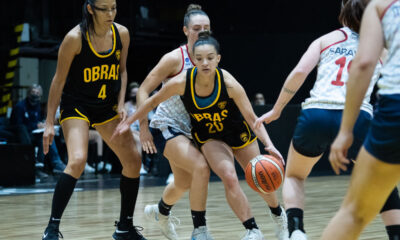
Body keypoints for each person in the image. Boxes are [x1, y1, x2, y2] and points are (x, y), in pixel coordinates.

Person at [114, 31, 288, 240]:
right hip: (210, 136)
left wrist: (269, 145)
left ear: (218, 59)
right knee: (229, 177)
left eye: (210, 58)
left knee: (260, 177)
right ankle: (253, 230)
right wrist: (130, 122)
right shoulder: (182, 82)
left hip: (236, 131)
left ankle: (279, 215)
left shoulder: (229, 83)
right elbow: (152, 101)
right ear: (193, 60)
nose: (205, 63)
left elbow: (252, 119)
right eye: (199, 59)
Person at [255, 1, 400, 239]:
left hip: (316, 114)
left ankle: (296, 231)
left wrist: (277, 109)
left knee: (294, 175)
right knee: (383, 180)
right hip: (358, 117)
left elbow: (299, 73)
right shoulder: (380, 47)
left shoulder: (326, 40)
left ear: (342, 12)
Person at [40, 0, 146, 240]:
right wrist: (49, 122)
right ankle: (52, 228)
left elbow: (122, 70)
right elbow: (57, 81)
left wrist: (120, 104)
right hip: (77, 105)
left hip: (106, 106)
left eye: (114, 8)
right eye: (104, 9)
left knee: (133, 161)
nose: (110, 13)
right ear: (90, 9)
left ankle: (124, 227)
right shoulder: (75, 38)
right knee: (77, 160)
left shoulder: (122, 34)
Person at [321, 0, 400, 239]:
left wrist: (345, 131)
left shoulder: (380, 6)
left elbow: (363, 64)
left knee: (354, 212)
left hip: (395, 106)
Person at [10, 84, 66, 175]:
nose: (35, 95)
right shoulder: (20, 107)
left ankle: (45, 165)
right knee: (43, 137)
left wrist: (42, 124)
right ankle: (54, 163)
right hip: (23, 134)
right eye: (33, 92)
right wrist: (36, 126)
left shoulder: (37, 106)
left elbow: (39, 120)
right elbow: (18, 125)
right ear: (28, 93)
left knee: (46, 136)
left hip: (35, 133)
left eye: (37, 93)